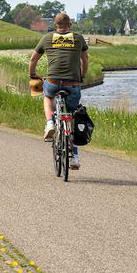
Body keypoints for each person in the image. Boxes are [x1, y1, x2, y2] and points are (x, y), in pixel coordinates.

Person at [29, 12, 89, 170]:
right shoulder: (78, 38)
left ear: (55, 25)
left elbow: (33, 58)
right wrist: (82, 75)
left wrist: (32, 74)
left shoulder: (47, 38)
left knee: (47, 96)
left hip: (53, 82)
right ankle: (74, 156)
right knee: (71, 116)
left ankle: (50, 123)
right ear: (70, 25)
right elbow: (85, 59)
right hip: (72, 83)